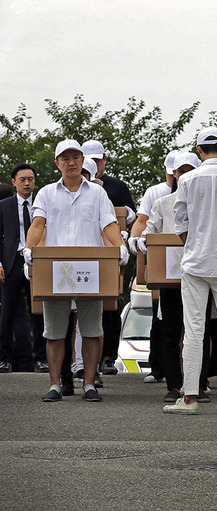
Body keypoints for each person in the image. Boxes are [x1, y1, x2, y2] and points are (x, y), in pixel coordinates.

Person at [25, 139, 127, 402]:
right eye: (66, 158)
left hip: (90, 269)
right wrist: (29, 248)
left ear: (83, 161)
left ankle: (90, 383)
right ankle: (55, 384)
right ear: (57, 162)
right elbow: (38, 224)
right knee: (55, 330)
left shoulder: (97, 193)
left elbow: (109, 224)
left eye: (76, 158)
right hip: (56, 269)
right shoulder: (47, 192)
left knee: (93, 328)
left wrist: (120, 247)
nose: (71, 162)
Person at [164, 127, 217, 415]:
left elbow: (180, 224)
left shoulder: (187, 179)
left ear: (199, 150)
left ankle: (189, 399)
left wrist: (194, 246)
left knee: (194, 331)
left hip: (195, 263)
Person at [141, 152, 217, 403]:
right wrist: (144, 242)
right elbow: (149, 232)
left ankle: (198, 382)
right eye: (180, 170)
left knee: (200, 330)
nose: (184, 174)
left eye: (190, 169)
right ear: (174, 174)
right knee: (171, 332)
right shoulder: (162, 203)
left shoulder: (209, 204)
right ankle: (174, 385)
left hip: (201, 274)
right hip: (171, 278)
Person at [82, 140, 135, 378]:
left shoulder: (117, 187)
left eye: (98, 159)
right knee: (81, 308)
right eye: (89, 160)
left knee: (110, 306)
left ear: (105, 159)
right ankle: (80, 362)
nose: (94, 164)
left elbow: (131, 218)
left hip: (111, 253)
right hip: (83, 254)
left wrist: (124, 237)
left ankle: (108, 357)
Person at [129, 149, 180, 384]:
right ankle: (159, 368)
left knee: (197, 325)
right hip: (164, 264)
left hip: (192, 265)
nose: (175, 179)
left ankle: (201, 378)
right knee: (161, 320)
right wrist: (136, 242)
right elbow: (142, 222)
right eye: (173, 174)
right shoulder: (156, 194)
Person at [0, 163, 47, 373]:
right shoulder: (4, 205)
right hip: (11, 261)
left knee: (39, 311)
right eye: (22, 180)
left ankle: (41, 358)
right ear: (14, 182)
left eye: (30, 179)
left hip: (37, 260)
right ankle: (4, 358)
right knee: (6, 312)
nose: (27, 183)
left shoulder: (42, 203)